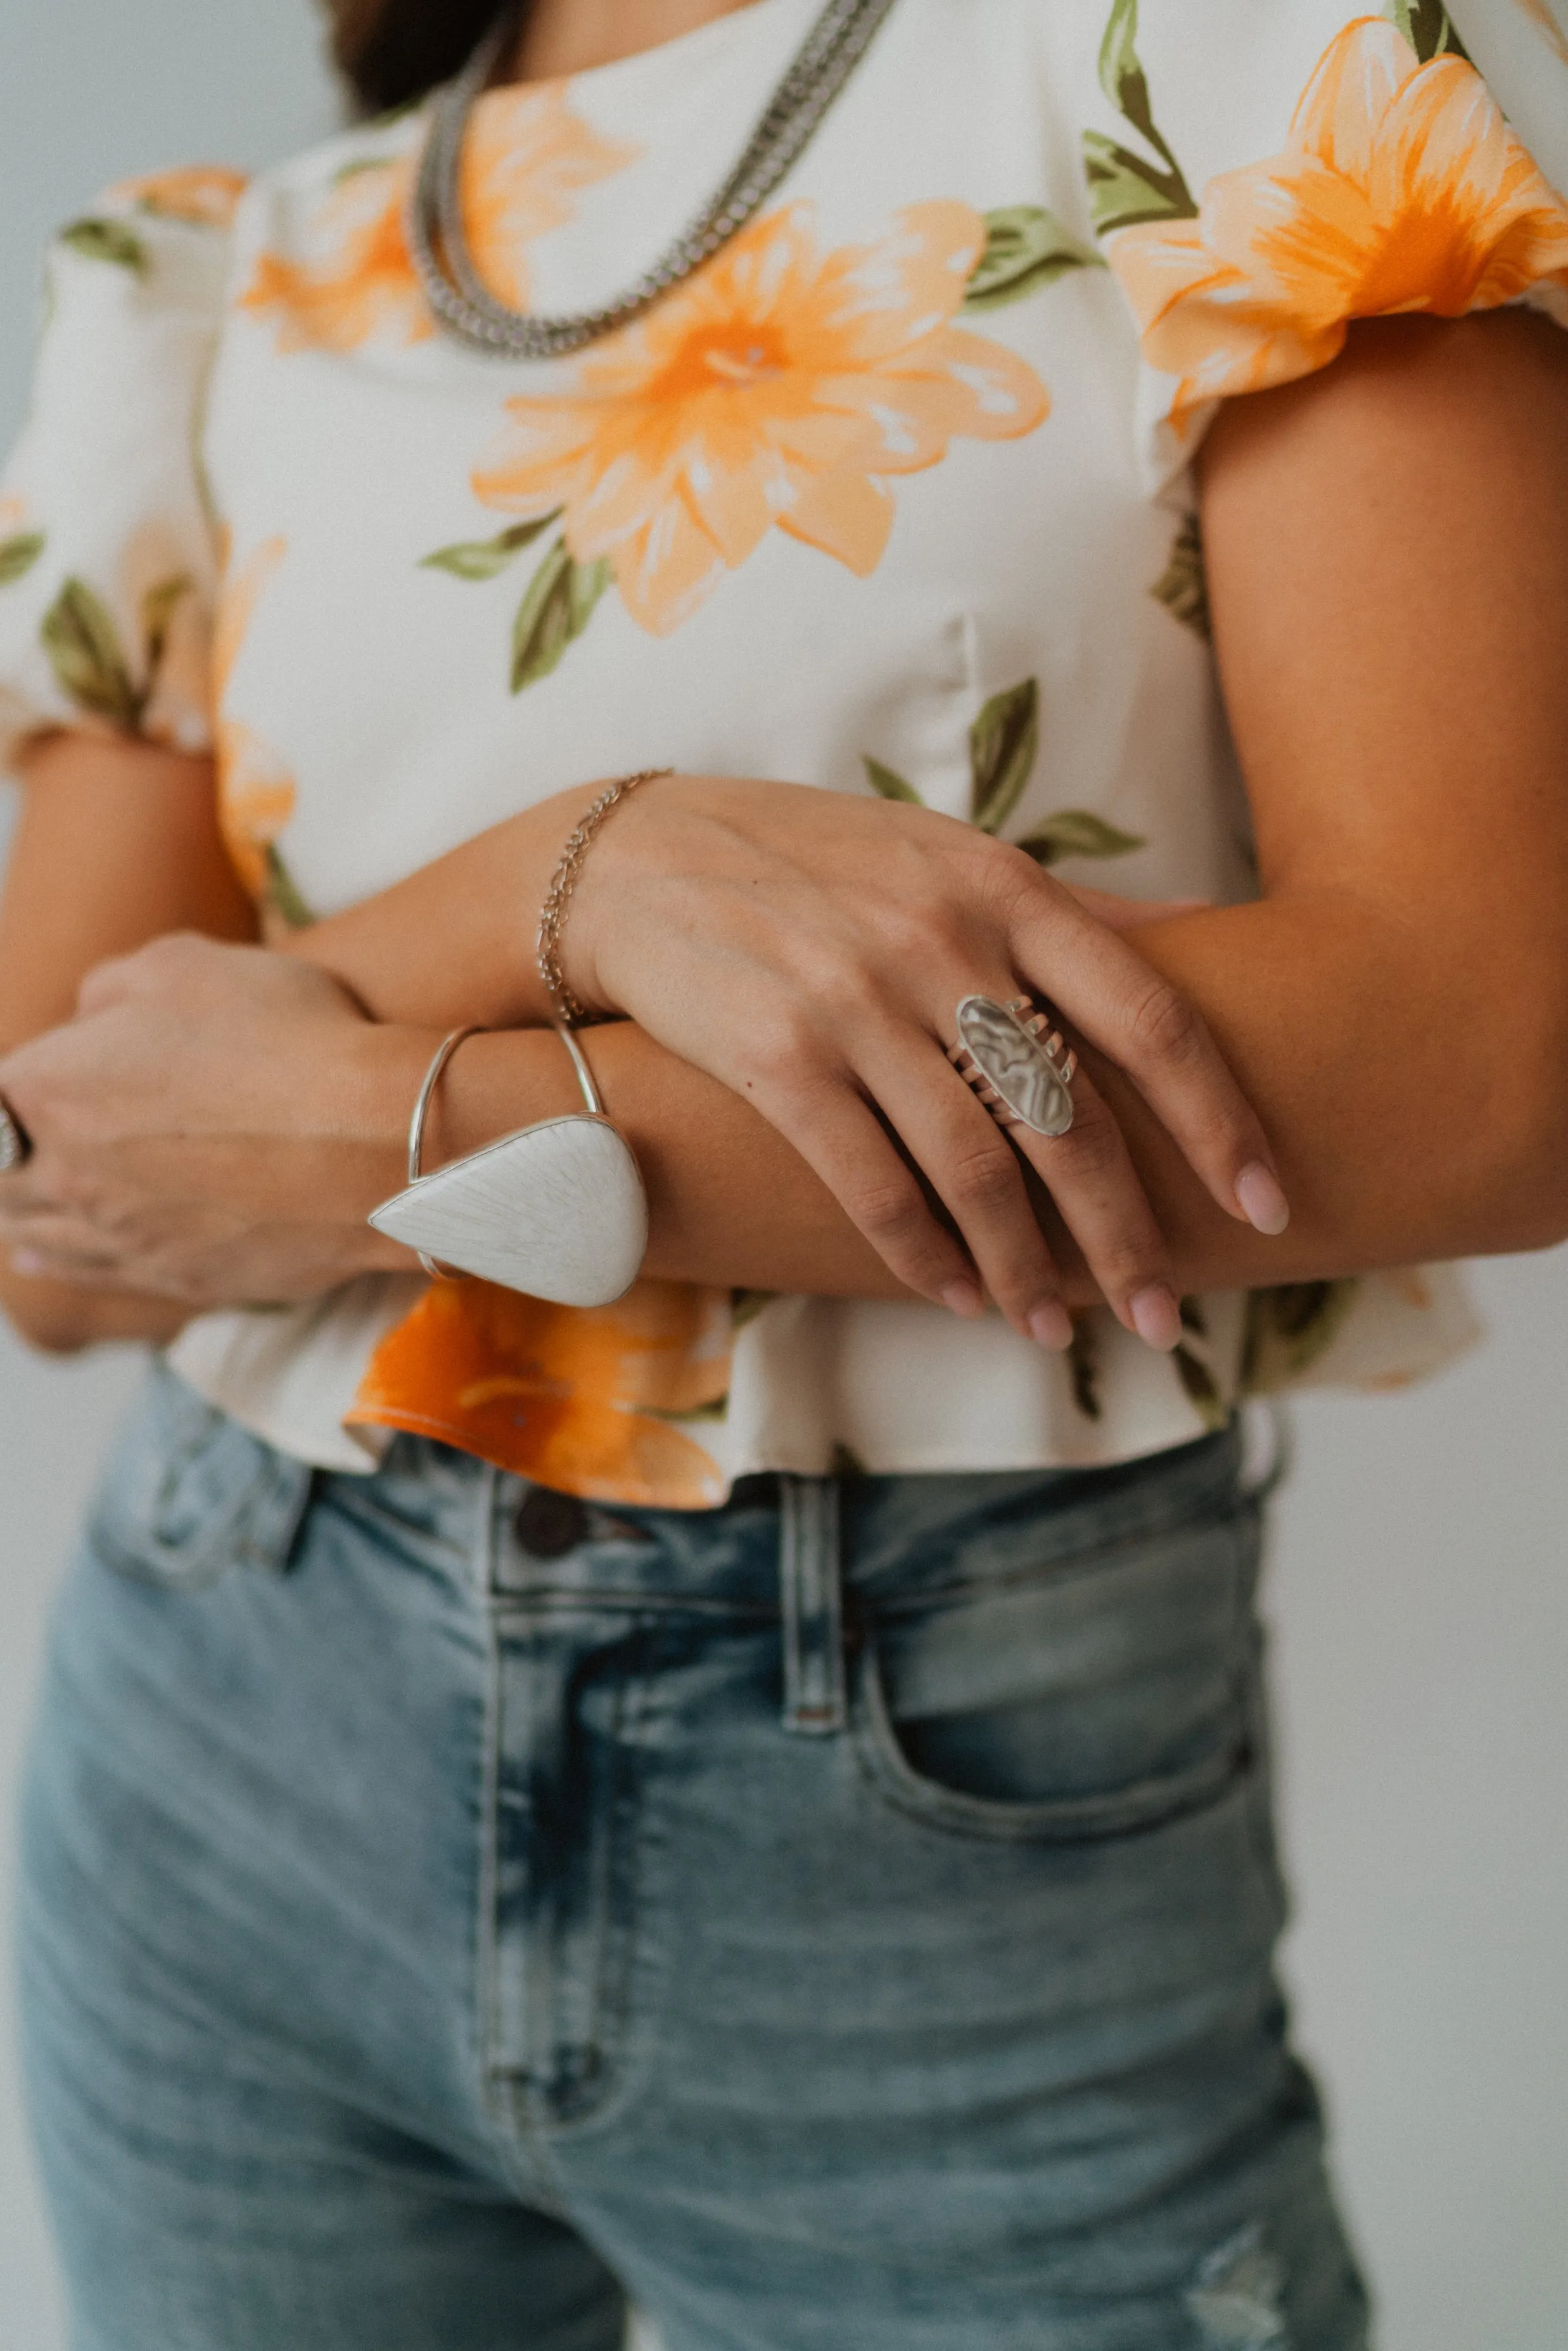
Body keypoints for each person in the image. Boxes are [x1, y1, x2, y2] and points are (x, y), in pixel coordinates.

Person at [0, 0, 1565, 2341]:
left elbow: (1484, 1060)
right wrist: (573, 872)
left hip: (943, 1790)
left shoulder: (1239, 57)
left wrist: (370, 1118)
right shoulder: (228, 272)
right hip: (232, 1716)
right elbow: (57, 1196)